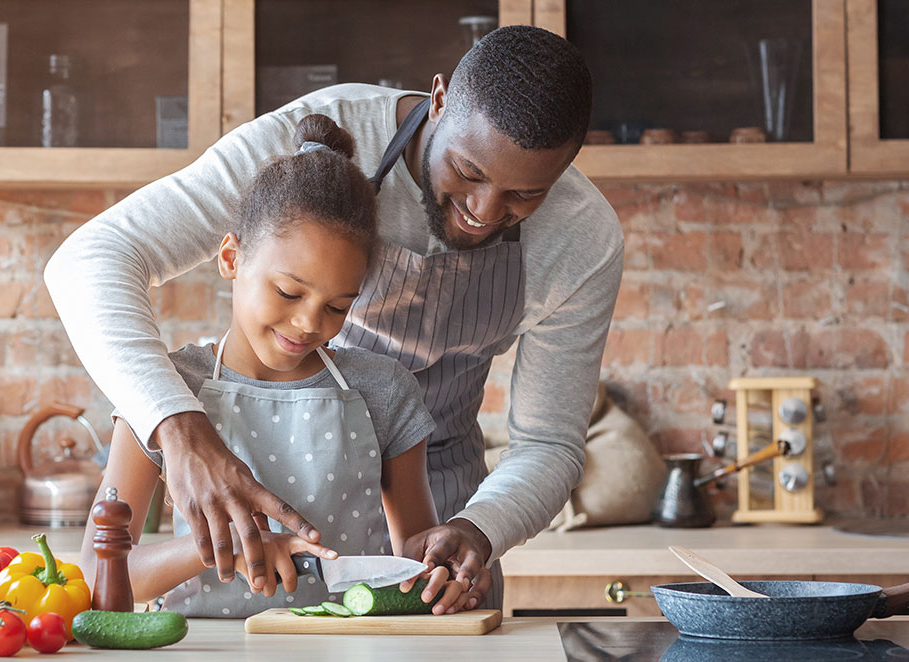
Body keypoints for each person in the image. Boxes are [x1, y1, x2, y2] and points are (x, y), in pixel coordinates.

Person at [49, 25, 624, 610]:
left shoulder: (584, 239)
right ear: (440, 99)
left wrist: (481, 529)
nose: (483, 211)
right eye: (469, 172)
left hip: (446, 503)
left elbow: (549, 443)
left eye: (525, 196)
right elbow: (89, 259)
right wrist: (179, 428)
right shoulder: (318, 139)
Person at [78, 114, 481, 617]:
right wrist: (233, 546)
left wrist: (441, 579)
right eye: (289, 291)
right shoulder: (167, 389)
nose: (310, 323)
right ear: (230, 258)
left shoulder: (384, 391)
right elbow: (97, 578)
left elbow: (414, 557)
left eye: (338, 306)